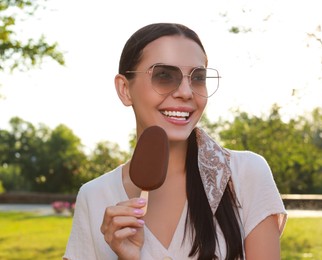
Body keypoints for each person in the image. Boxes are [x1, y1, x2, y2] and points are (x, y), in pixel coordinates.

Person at [63, 23, 287, 260]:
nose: (186, 92)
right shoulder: (94, 196)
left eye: (198, 78)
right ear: (124, 89)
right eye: (164, 76)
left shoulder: (245, 174)